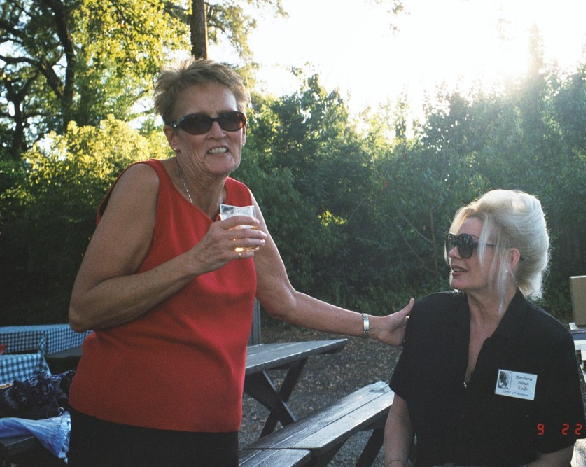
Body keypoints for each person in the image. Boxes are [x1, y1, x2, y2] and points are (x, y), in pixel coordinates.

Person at [66, 59, 412, 467]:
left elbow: (284, 299)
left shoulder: (240, 199)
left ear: (243, 130)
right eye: (198, 122)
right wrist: (195, 260)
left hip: (213, 427)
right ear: (173, 136)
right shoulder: (146, 183)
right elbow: (84, 309)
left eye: (230, 119)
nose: (218, 132)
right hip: (127, 426)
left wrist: (375, 325)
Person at [384, 189, 586, 467]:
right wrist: (395, 463)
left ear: (510, 259)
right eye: (453, 242)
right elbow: (400, 414)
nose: (453, 253)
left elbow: (559, 452)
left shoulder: (548, 342)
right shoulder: (429, 317)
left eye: (467, 244)